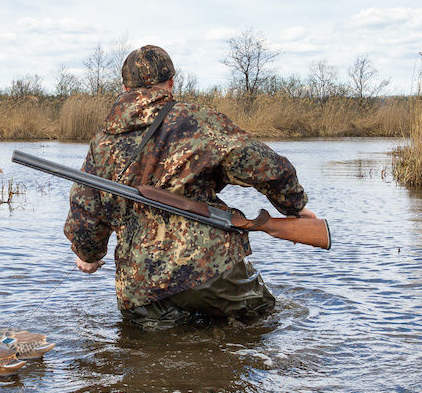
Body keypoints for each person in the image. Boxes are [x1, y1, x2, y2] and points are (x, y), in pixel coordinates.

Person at [64, 44, 317, 328]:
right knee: (261, 325)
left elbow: (85, 210)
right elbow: (261, 161)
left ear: (124, 88)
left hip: (142, 285)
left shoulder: (102, 142)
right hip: (211, 269)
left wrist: (88, 255)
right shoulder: (196, 120)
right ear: (171, 83)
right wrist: (296, 206)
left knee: (147, 361)